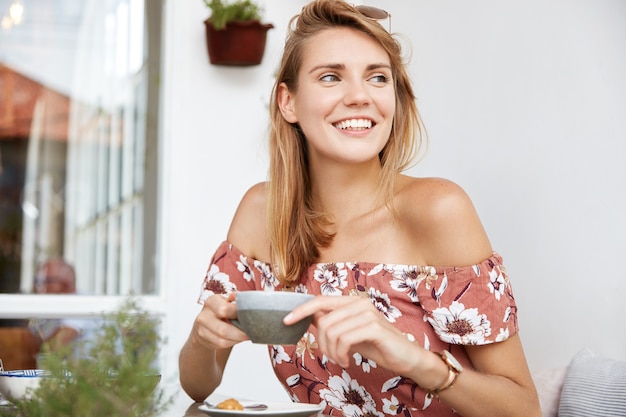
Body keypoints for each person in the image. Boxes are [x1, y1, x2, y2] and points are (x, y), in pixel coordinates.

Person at [179, 1, 541, 416]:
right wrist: (202, 340)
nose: (359, 96)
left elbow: (524, 408)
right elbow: (197, 384)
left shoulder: (439, 209)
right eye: (331, 77)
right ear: (288, 102)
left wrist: (413, 359)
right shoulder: (261, 212)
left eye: (377, 77)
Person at [29, 258, 86, 353]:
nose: (40, 287)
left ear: (65, 283)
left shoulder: (81, 303)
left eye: (46, 281)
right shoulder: (54, 305)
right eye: (38, 281)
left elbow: (54, 345)